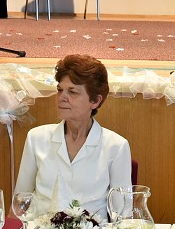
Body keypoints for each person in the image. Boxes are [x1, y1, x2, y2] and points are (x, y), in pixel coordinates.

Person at [15, 55, 131, 219]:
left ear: (95, 101)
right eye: (60, 90)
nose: (62, 97)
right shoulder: (36, 139)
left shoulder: (116, 147)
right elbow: (19, 205)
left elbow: (123, 216)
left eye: (72, 92)